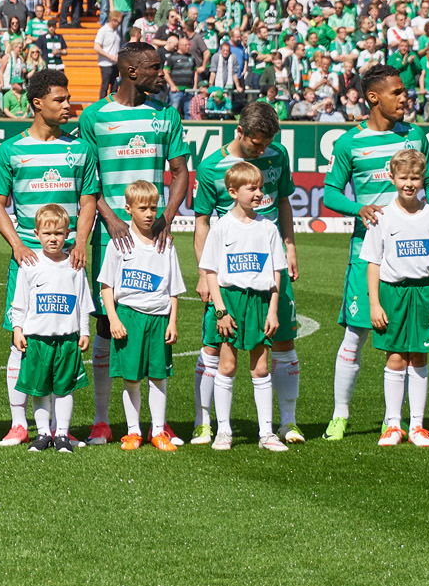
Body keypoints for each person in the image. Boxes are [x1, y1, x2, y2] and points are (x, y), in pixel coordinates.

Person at [320, 65, 429, 441]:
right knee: (357, 334)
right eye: (397, 93)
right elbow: (329, 193)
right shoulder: (348, 143)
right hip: (367, 253)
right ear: (374, 97)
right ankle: (341, 414)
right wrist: (356, 208)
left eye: (405, 92)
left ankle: (407, 421)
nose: (405, 98)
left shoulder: (415, 135)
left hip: (411, 256)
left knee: (411, 339)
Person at [78, 41, 191, 445]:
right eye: (155, 68)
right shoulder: (94, 116)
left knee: (157, 322)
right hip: (111, 237)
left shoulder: (165, 116)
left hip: (154, 237)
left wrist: (165, 218)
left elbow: (180, 172)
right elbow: (86, 178)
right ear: (130, 73)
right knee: (110, 325)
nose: (163, 75)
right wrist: (109, 218)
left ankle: (157, 423)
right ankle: (103, 419)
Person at [0, 69, 98, 446]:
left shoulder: (80, 149)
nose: (68, 106)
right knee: (21, 340)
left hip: (69, 262)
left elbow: (87, 201)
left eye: (68, 100)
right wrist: (17, 244)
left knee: (66, 339)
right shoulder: (11, 150)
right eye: (60, 100)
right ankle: (19, 424)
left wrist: (80, 242)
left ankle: (59, 429)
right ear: (37, 103)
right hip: (29, 264)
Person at [191, 102, 303, 445]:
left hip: (267, 267)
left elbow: (283, 201)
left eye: (268, 142)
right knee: (215, 347)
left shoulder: (278, 154)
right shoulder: (212, 167)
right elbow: (202, 221)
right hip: (228, 277)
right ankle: (204, 422)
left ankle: (287, 423)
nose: (263, 149)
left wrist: (290, 245)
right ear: (239, 132)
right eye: (257, 143)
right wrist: (202, 272)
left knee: (282, 341)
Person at [362, 148, 429, 448]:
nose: (409, 183)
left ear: (423, 178)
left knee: (419, 356)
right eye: (403, 178)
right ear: (392, 178)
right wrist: (374, 303)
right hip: (393, 292)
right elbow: (373, 263)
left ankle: (417, 425)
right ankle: (392, 425)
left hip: (424, 291)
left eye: (415, 177)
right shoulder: (382, 217)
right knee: (396, 357)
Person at [197, 161, 288, 452]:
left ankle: (266, 433)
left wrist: (273, 309)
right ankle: (223, 431)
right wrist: (220, 310)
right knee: (227, 365)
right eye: (253, 188)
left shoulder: (268, 228)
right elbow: (210, 271)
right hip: (230, 301)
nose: (259, 193)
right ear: (234, 192)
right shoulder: (221, 227)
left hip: (260, 302)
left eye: (261, 187)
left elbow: (277, 272)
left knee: (261, 368)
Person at [98, 180, 184, 451]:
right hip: (129, 318)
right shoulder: (119, 245)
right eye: (143, 208)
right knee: (131, 378)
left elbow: (173, 289)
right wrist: (113, 318)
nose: (149, 214)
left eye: (153, 208)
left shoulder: (166, 245)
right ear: (128, 209)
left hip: (158, 319)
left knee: (158, 376)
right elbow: (106, 286)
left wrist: (172, 321)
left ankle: (158, 431)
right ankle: (133, 431)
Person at [9, 203, 93, 453]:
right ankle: (43, 433)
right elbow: (20, 303)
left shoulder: (75, 266)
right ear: (37, 234)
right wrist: (17, 329)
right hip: (37, 339)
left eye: (58, 233)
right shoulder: (30, 264)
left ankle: (62, 434)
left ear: (68, 233)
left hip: (66, 339)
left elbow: (83, 302)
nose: (53, 239)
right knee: (40, 389)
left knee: (64, 389)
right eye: (47, 234)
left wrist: (85, 330)